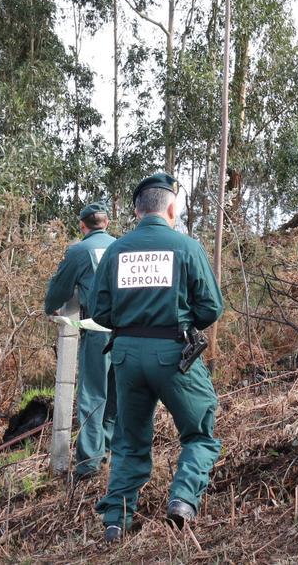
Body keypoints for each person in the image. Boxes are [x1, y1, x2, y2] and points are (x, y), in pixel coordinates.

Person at [89, 173, 224, 543]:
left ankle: (116, 519)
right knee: (199, 434)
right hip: (174, 354)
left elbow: (99, 312)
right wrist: (178, 324)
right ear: (170, 208)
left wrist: (132, 322)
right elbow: (212, 308)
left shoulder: (115, 250)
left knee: (129, 442)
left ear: (136, 210)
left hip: (126, 356)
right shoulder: (186, 246)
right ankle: (182, 501)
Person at [44, 202, 117, 480]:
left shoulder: (79, 251)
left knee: (92, 394)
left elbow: (59, 288)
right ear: (107, 223)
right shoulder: (122, 246)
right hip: (127, 329)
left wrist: (51, 308)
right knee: (116, 394)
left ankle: (88, 463)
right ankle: (108, 450)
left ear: (82, 226)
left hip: (97, 329)